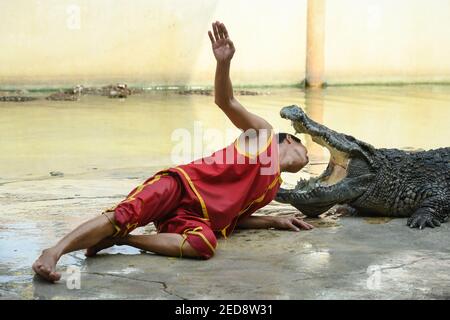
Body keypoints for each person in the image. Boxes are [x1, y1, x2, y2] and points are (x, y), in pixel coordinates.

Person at [32, 21, 313, 282]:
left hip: (193, 219)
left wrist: (274, 220)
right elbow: (225, 101)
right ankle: (54, 252)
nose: (309, 155)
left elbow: (236, 218)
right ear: (289, 141)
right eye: (305, 146)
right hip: (179, 187)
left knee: (204, 246)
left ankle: (121, 240)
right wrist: (223, 64)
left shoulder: (272, 187)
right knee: (122, 216)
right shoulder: (263, 135)